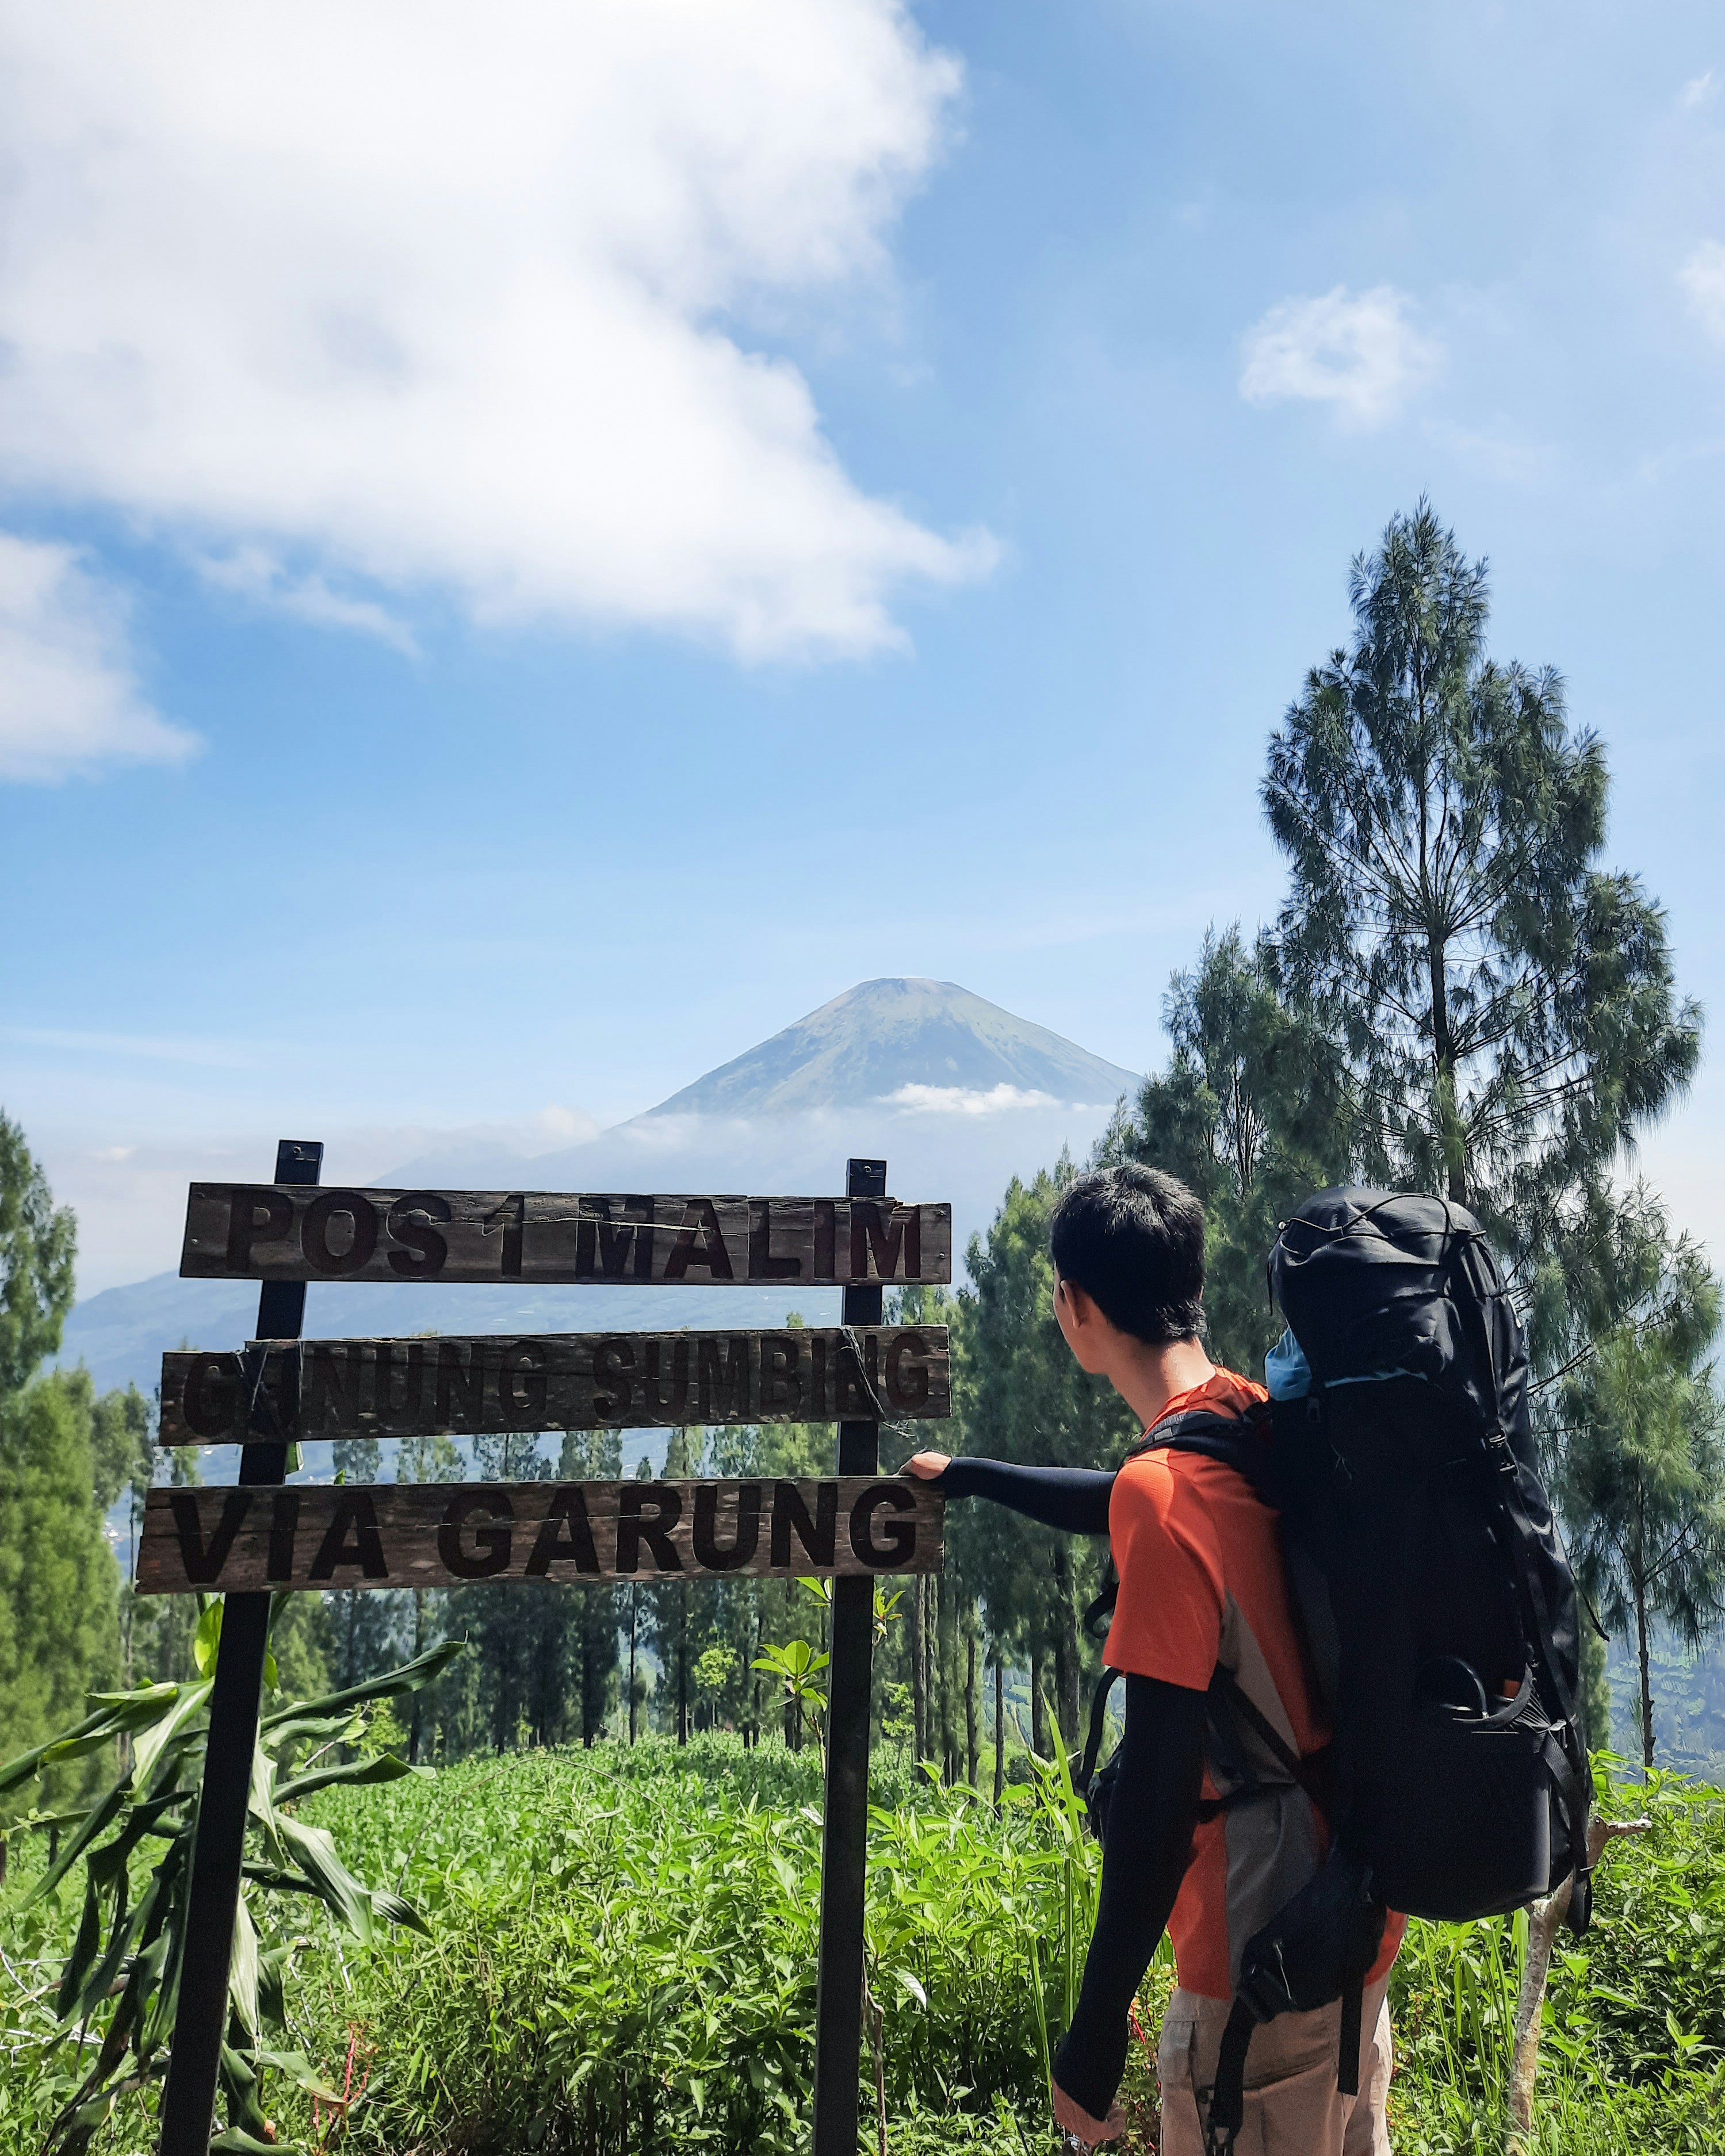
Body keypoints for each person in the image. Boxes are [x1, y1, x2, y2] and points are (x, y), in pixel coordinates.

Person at [906, 1162, 1401, 2154]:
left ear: (1074, 1305)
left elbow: (1157, 1806)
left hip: (1251, 1975)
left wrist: (1090, 2046)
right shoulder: (1253, 1415)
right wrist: (974, 1477)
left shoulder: (1167, 1490)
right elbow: (1136, 1492)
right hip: (1348, 1927)